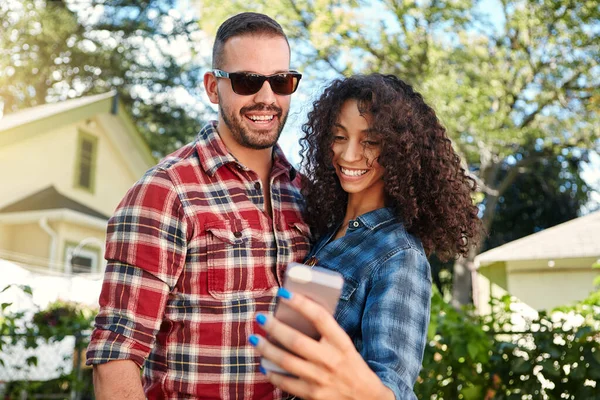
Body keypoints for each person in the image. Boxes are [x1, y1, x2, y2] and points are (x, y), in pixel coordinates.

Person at [86, 12, 312, 399]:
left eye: (281, 80)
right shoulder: (165, 191)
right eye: (246, 81)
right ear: (213, 87)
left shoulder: (307, 196)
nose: (266, 97)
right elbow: (116, 358)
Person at [251, 74, 482, 399]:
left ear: (400, 151)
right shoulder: (325, 228)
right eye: (338, 136)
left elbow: (393, 390)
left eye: (370, 142)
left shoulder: (399, 255)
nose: (348, 155)